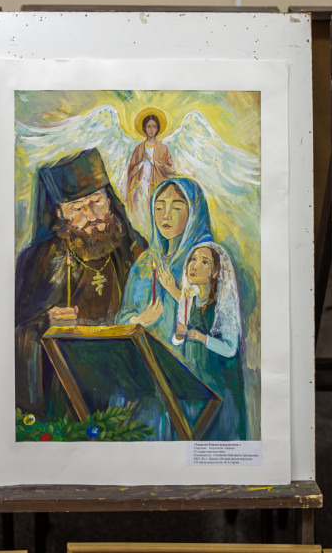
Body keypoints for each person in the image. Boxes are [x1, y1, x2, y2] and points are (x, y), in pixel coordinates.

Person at [15, 147, 147, 414]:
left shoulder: (132, 249)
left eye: (97, 200)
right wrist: (47, 323)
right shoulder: (39, 259)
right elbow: (14, 330)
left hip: (123, 380)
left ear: (109, 199)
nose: (92, 214)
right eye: (77, 208)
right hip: (65, 383)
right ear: (60, 214)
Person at [117, 176, 213, 350]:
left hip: (188, 358)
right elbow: (123, 318)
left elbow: (210, 322)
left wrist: (173, 290)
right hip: (145, 354)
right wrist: (140, 320)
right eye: (159, 208)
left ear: (193, 213)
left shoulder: (203, 260)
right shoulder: (145, 262)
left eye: (176, 208)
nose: (166, 216)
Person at [173, 242, 247, 440]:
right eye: (193, 259)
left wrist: (202, 338)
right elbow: (178, 340)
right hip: (196, 387)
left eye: (204, 262)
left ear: (215, 273)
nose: (194, 265)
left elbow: (230, 349)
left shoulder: (223, 305)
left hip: (220, 386)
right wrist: (179, 335)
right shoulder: (189, 301)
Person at [124, 111, 175, 233]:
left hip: (157, 186)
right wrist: (141, 163)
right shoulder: (138, 148)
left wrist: (154, 162)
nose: (151, 130)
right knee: (143, 216)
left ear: (157, 129)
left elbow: (171, 170)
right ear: (144, 128)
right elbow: (131, 170)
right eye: (148, 126)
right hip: (141, 188)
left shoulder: (163, 148)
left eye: (154, 126)